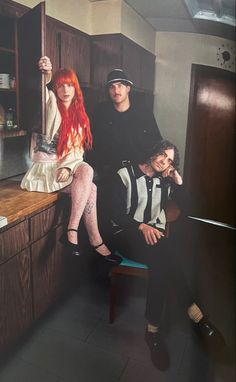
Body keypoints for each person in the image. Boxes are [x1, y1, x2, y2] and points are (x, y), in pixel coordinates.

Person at [110, 139, 224, 371]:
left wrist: (178, 181)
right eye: (162, 154)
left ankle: (152, 331)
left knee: (162, 261)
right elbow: (113, 214)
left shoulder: (165, 181)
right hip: (127, 234)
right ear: (153, 151)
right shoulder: (125, 174)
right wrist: (141, 226)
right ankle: (196, 315)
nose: (164, 161)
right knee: (166, 252)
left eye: (170, 160)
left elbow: (189, 208)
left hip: (155, 241)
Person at [20, 56, 121, 266]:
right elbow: (43, 91)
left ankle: (79, 234)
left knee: (89, 180)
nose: (65, 90)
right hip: (45, 172)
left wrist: (68, 166)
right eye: (60, 86)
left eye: (70, 85)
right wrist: (46, 73)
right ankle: (90, 239)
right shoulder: (49, 105)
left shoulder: (78, 116)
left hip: (62, 169)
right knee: (90, 184)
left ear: (76, 89)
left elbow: (76, 150)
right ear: (54, 88)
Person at [90, 68, 162, 180]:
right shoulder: (101, 112)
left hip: (139, 172)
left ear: (128, 88)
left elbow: (156, 141)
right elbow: (92, 142)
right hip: (111, 173)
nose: (116, 90)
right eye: (111, 87)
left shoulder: (143, 113)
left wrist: (151, 169)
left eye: (120, 85)